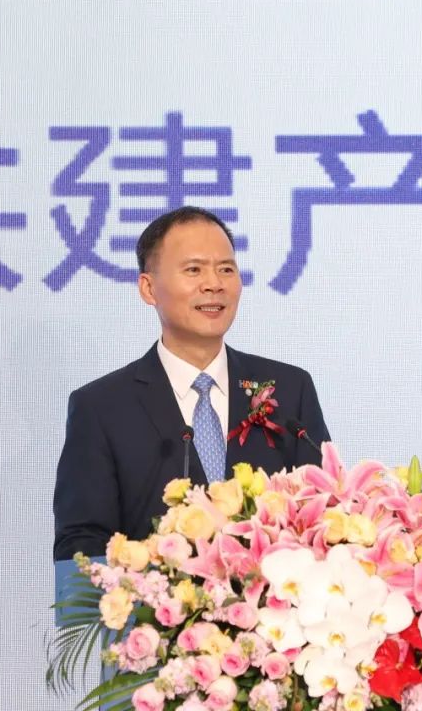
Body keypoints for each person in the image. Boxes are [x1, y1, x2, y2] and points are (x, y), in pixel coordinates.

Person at [53, 206, 330, 561]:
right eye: (194, 270)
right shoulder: (102, 407)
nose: (214, 284)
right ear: (149, 288)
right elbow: (81, 542)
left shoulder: (289, 390)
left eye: (226, 269)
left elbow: (323, 514)